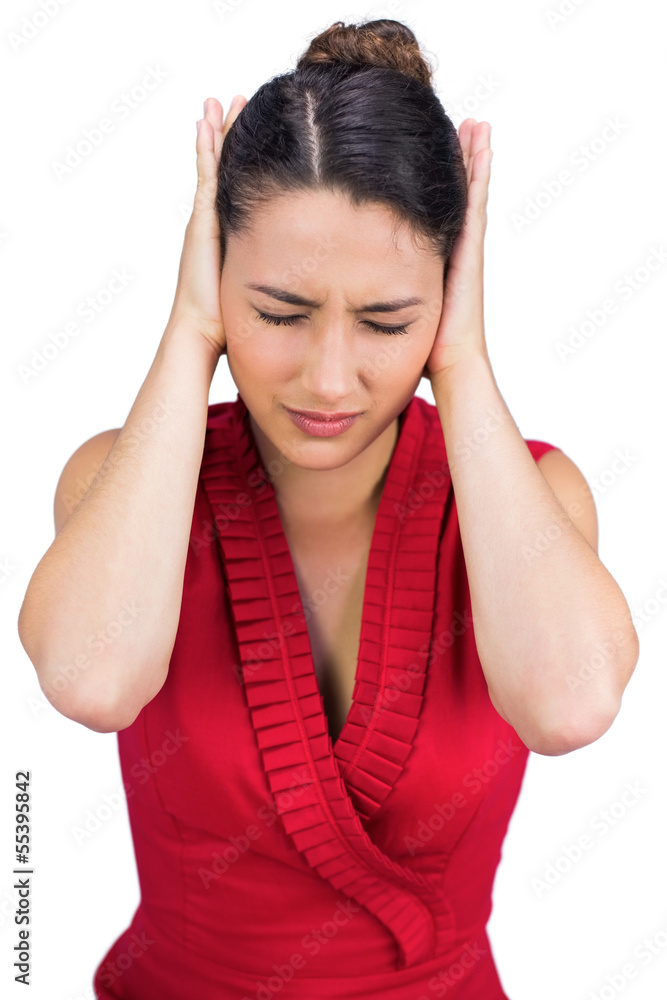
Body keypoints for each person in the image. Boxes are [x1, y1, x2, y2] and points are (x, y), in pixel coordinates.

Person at [18, 17, 639, 1000]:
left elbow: (568, 706)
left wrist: (463, 361)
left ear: (448, 293)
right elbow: (93, 680)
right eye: (278, 312)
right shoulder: (120, 484)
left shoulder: (533, 498)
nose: (329, 378)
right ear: (213, 269)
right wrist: (188, 331)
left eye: (387, 321)